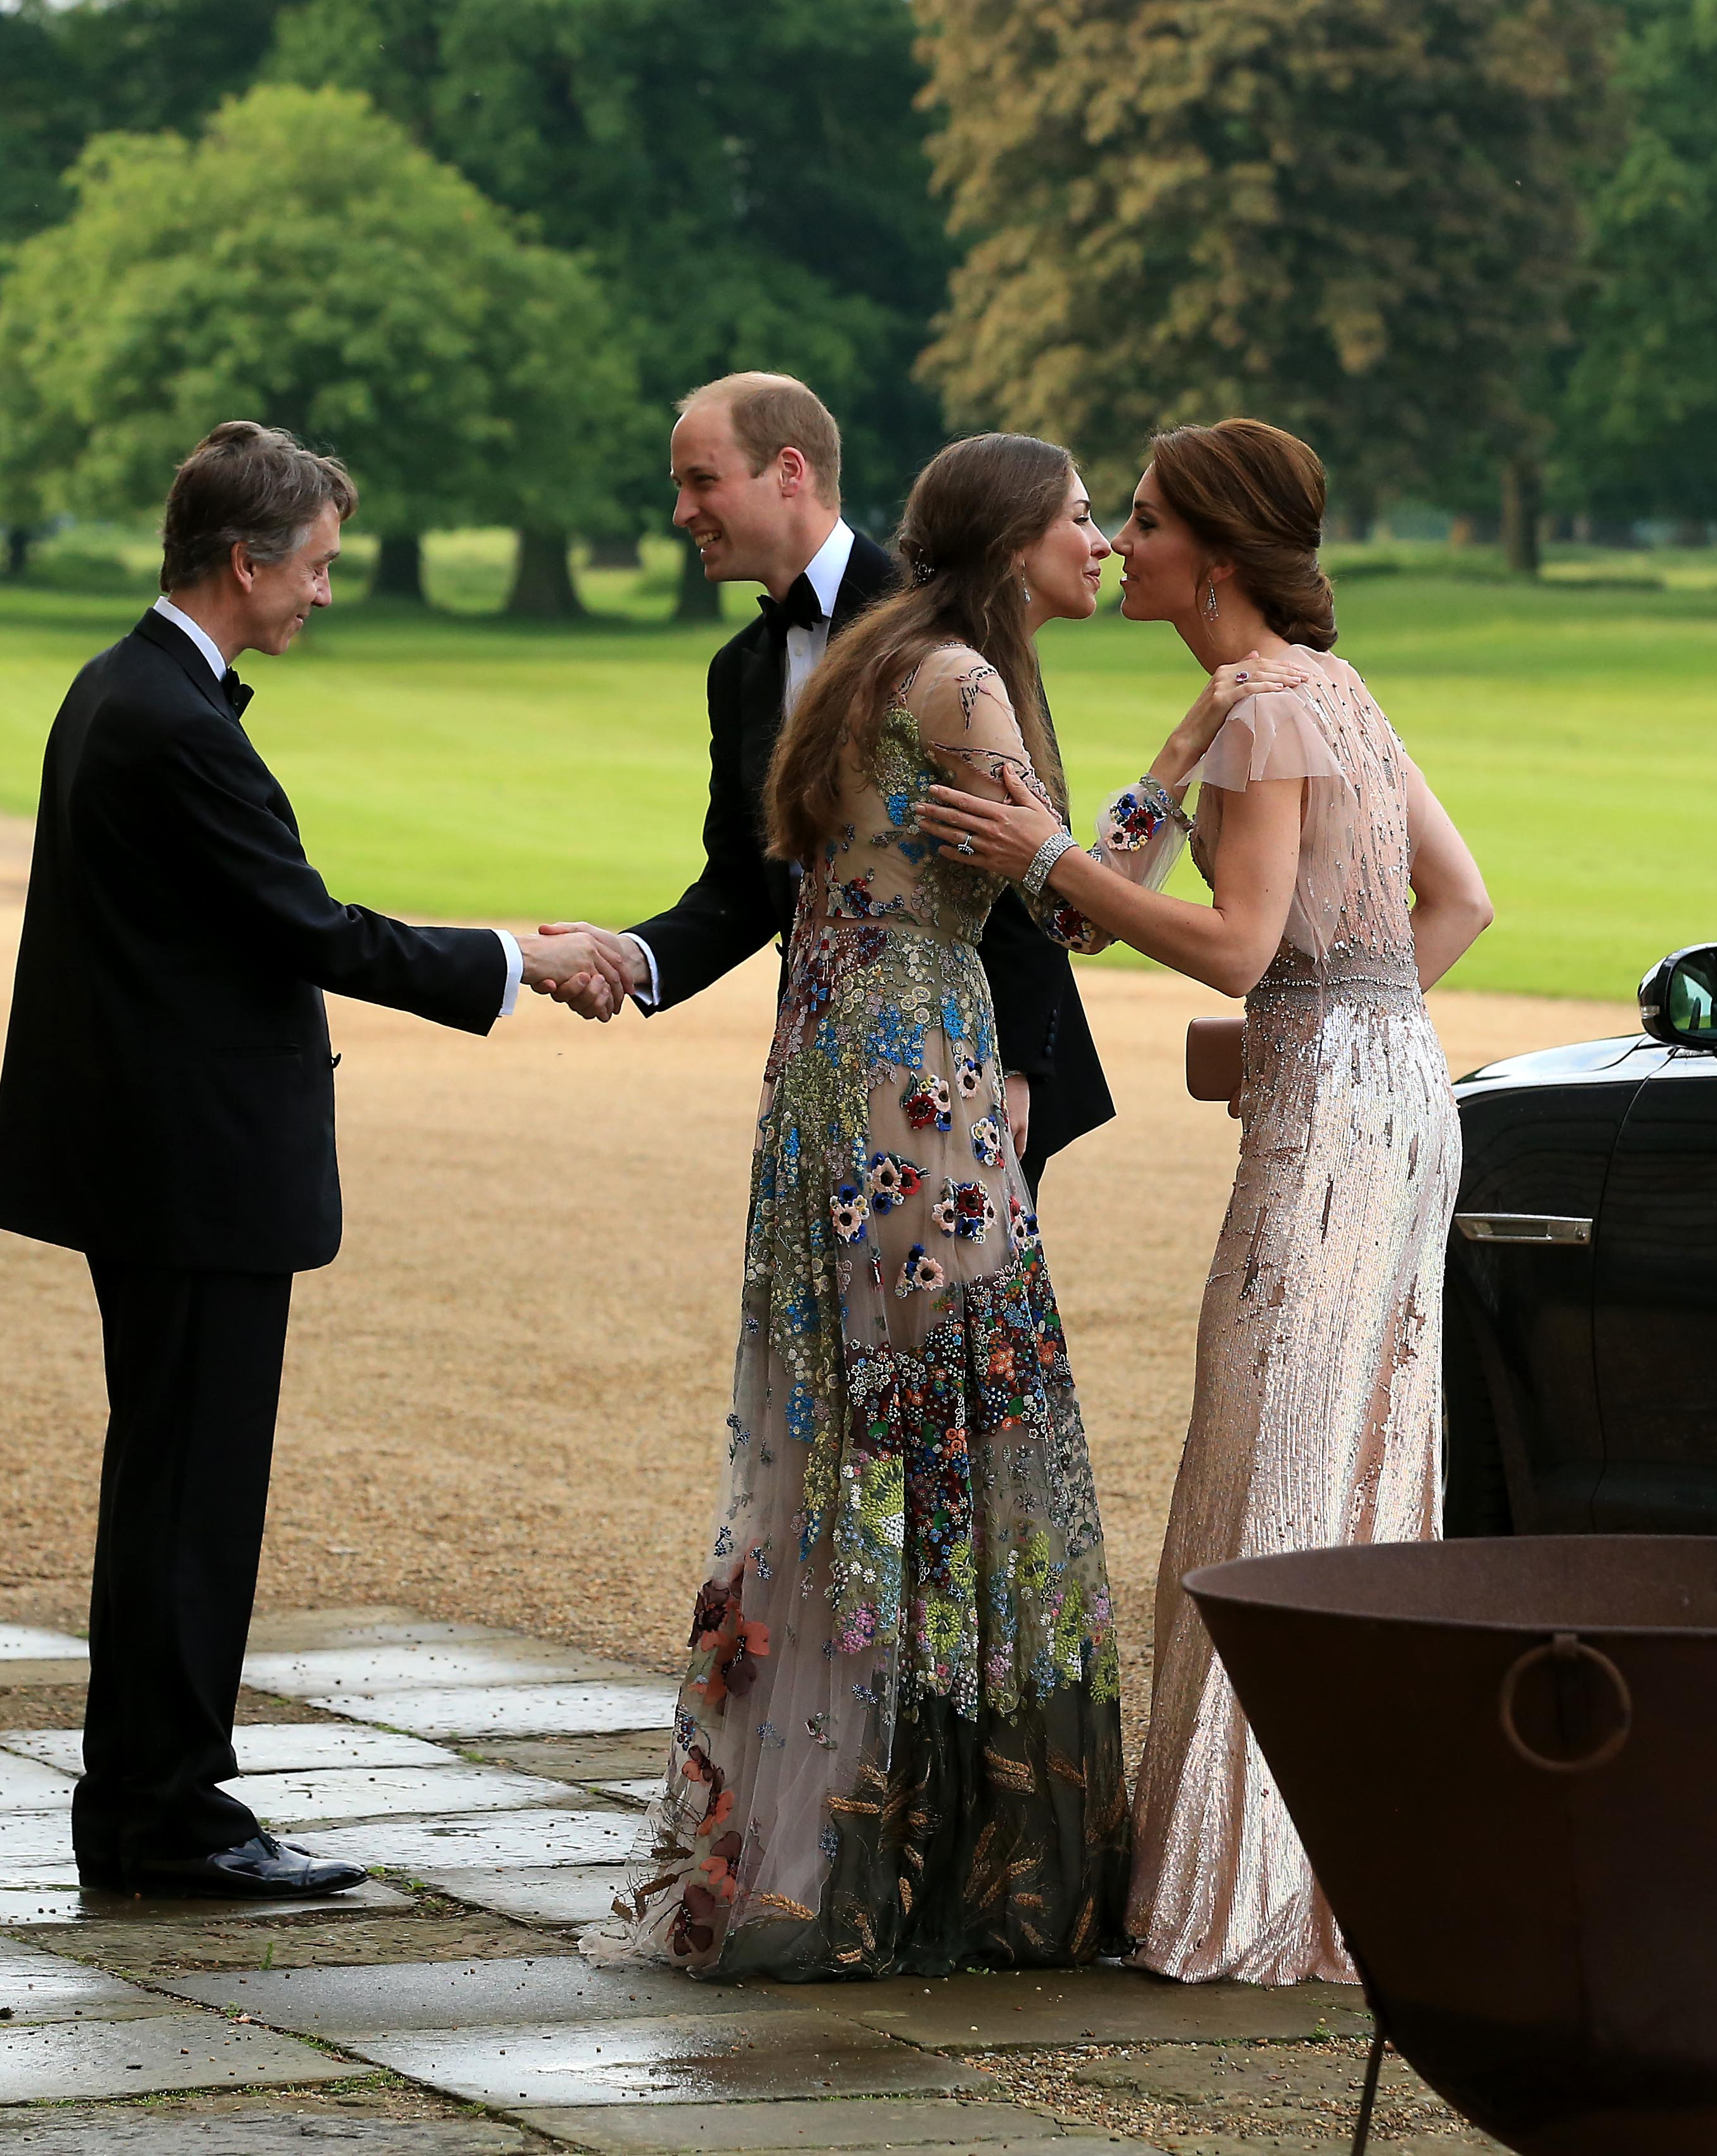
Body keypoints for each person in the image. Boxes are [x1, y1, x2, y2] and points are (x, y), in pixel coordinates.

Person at [0, 421, 623, 1898]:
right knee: (191, 1499)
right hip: (190, 1172)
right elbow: (310, 927)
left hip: (160, 1166)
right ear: (246, 560)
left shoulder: (126, 693)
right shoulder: (168, 721)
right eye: (316, 564)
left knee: (170, 1490)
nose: (326, 591)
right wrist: (520, 955)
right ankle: (174, 1817)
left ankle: (141, 1800)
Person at [917, 418, 1492, 1985]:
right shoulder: (1308, 692)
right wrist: (1161, 779)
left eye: (1149, 519)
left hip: (1332, 1137)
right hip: (1395, 1100)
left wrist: (1047, 852)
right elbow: (1461, 899)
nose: (1119, 542)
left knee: (1278, 1471)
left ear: (1216, 561)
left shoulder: (1275, 710)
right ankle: (1329, 1873)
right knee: (1344, 1464)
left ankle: (1250, 1901)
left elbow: (1233, 942)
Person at [584, 433, 1134, 1979]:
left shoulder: (881, 654)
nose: (1097, 540)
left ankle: (831, 1831)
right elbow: (1072, 906)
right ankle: (938, 1851)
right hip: (914, 1090)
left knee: (861, 1435)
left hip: (835, 1074)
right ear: (1015, 534)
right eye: (1080, 517)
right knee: (943, 1434)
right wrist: (1202, 752)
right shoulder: (962, 677)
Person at [541, 373, 1113, 1183]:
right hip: (826, 1053)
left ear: (788, 471)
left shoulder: (941, 621)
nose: (681, 514)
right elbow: (746, 881)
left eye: (702, 482)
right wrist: (632, 958)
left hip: (971, 1058)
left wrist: (1016, 1065)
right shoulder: (738, 670)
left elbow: (1019, 842)